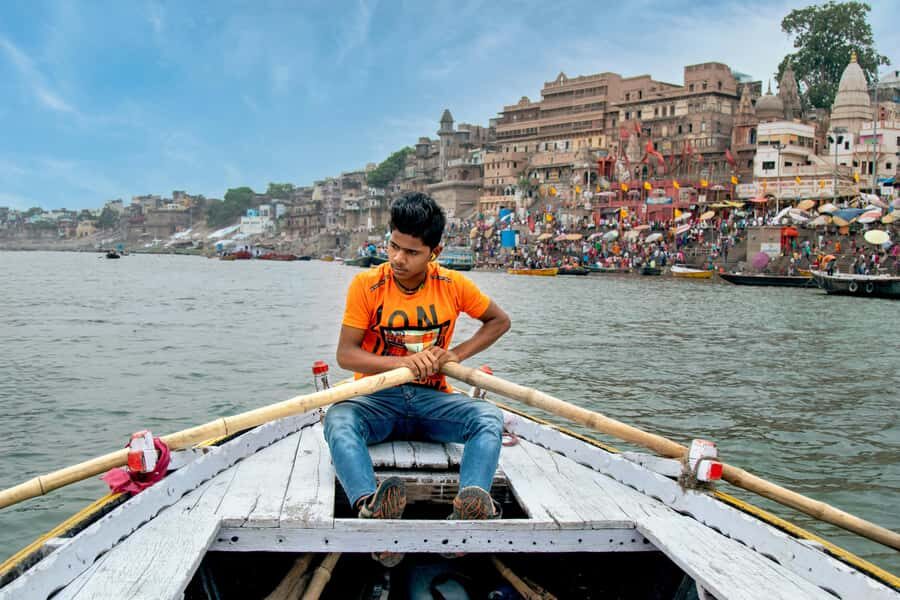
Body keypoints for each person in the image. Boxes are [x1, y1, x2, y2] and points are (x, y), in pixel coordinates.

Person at [325, 192, 511, 566]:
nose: (397, 258)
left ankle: (469, 507)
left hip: (432, 401)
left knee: (488, 418)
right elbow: (346, 355)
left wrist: (454, 355)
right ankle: (370, 508)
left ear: (434, 252)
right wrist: (407, 363)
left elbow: (499, 321)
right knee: (338, 419)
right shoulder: (368, 285)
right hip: (377, 399)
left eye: (411, 252)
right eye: (393, 246)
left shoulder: (452, 285)